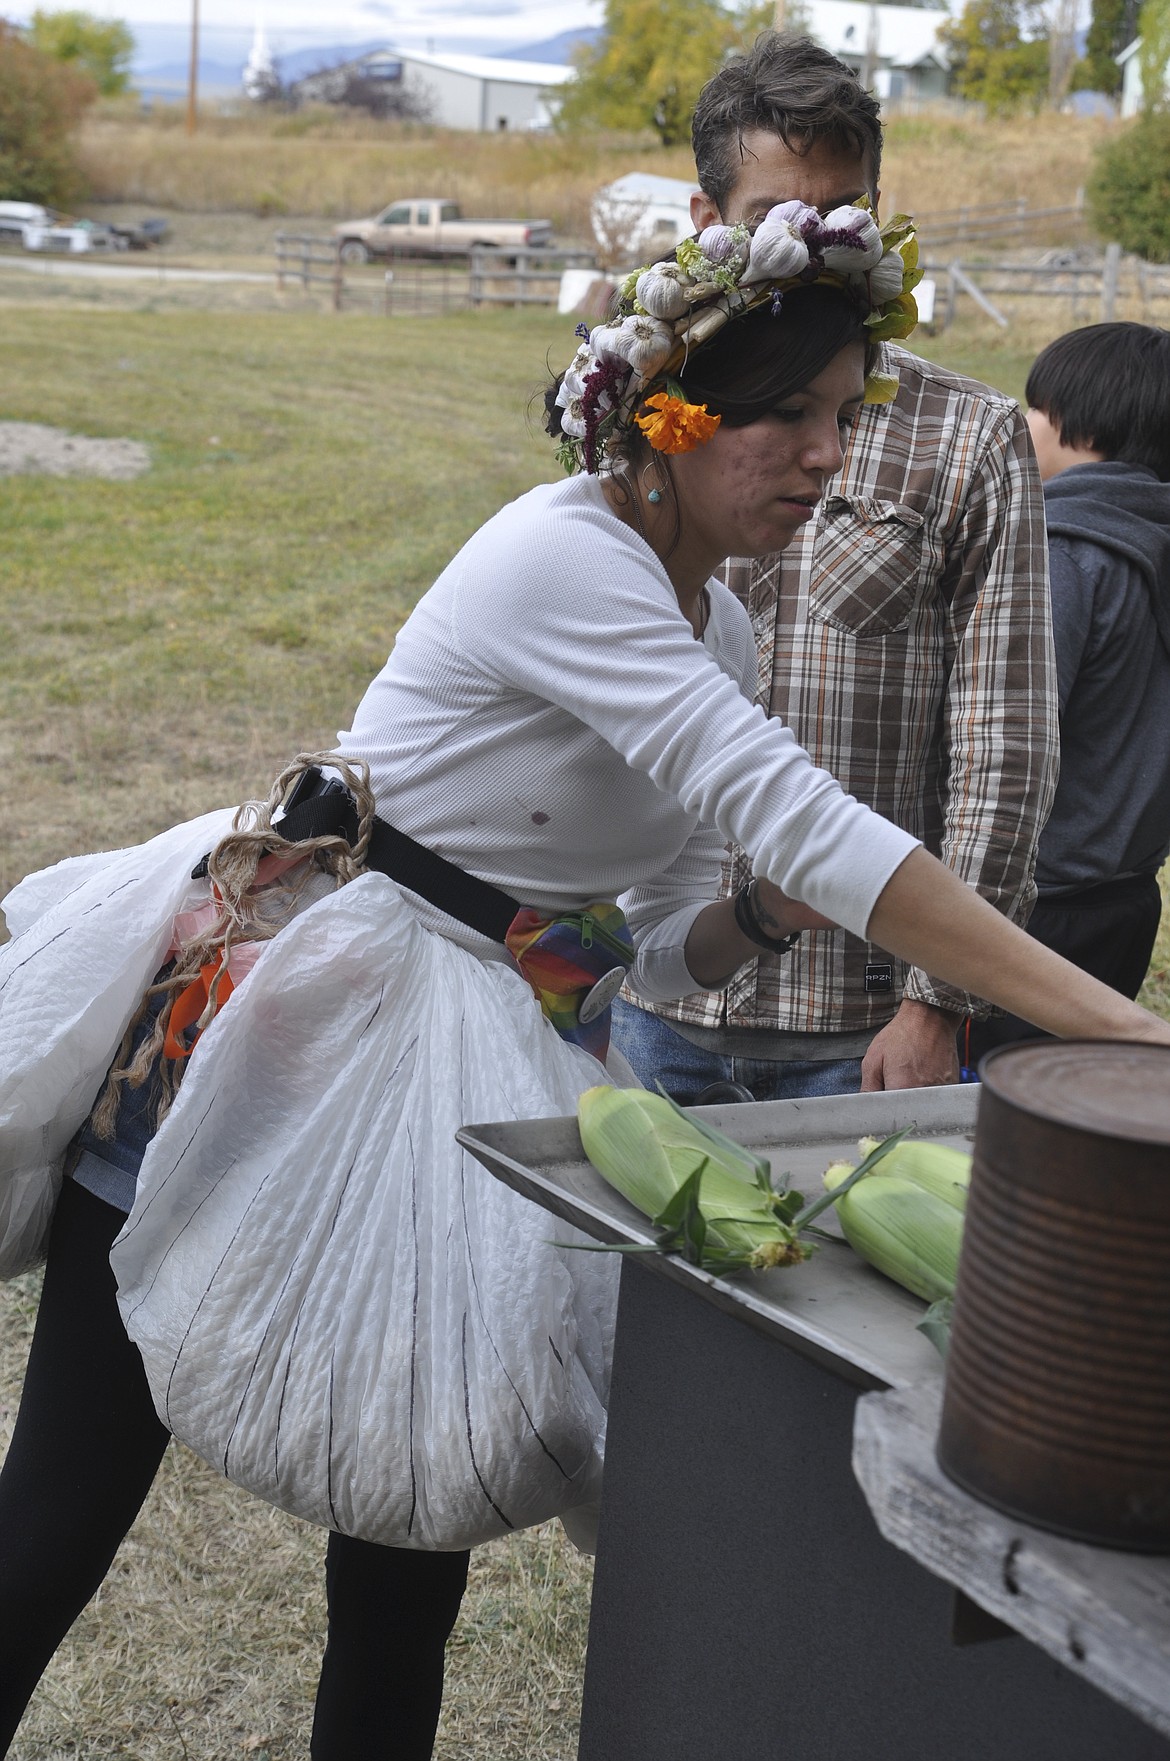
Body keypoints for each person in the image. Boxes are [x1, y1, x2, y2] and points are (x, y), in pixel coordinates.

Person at [0, 211, 1164, 1761]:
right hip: (284, 1017)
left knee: (414, 1510)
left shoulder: (724, 627)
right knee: (73, 1487)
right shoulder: (561, 555)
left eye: (843, 417)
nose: (827, 456)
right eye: (789, 416)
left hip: (465, 1050)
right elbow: (797, 810)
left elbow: (671, 941)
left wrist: (755, 911)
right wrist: (1125, 1028)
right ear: (667, 422)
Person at [612, 32, 1059, 1102]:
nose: (813, 247)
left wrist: (936, 999)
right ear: (706, 224)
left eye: (841, 214)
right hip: (648, 995)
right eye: (777, 221)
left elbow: (1004, 745)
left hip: (852, 1025)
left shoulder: (967, 435)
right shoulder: (637, 406)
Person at [964, 321, 1170, 1064]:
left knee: (985, 1106)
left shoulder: (1063, 554)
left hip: (1031, 904)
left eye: (1035, 407)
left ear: (1082, 424)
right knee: (1069, 1091)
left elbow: (1009, 733)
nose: (1021, 424)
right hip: (1127, 899)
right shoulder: (1153, 541)